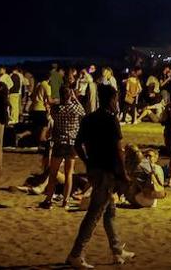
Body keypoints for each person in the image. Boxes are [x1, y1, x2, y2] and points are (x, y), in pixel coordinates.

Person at [65, 85, 133, 269]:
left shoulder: (88, 119)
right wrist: (124, 174)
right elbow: (119, 151)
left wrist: (87, 162)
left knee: (110, 211)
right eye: (115, 99)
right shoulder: (111, 121)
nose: (116, 102)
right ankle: (76, 254)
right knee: (94, 214)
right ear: (110, 100)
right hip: (107, 172)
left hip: (94, 169)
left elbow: (78, 144)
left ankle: (117, 249)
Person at [40, 85, 84, 209]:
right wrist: (75, 99)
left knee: (53, 173)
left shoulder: (57, 109)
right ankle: (66, 201)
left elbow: (51, 113)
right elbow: (84, 113)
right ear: (70, 95)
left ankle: (48, 200)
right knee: (69, 173)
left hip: (59, 143)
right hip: (71, 143)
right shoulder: (76, 109)